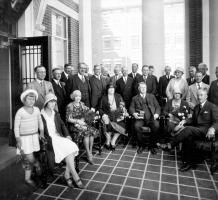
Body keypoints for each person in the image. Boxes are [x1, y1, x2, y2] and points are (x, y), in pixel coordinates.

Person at [166, 88, 218, 172]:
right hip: (197, 130)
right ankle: (189, 163)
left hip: (207, 132)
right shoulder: (197, 107)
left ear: (206, 96)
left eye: (201, 95)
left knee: (188, 129)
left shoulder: (212, 106)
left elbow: (217, 121)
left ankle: (171, 144)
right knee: (188, 136)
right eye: (198, 95)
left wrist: (212, 128)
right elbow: (193, 119)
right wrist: (185, 121)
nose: (199, 97)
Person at [41, 93, 85, 189]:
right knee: (69, 150)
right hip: (50, 139)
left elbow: (62, 125)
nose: (53, 104)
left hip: (58, 136)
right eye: (51, 102)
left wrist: (67, 135)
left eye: (54, 102)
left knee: (72, 148)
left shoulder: (55, 113)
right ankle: (75, 176)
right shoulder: (41, 115)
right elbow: (40, 131)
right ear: (46, 102)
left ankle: (67, 175)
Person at [14, 89, 44, 186]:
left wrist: (42, 132)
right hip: (24, 139)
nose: (31, 101)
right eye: (29, 99)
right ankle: (37, 165)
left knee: (27, 159)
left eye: (33, 99)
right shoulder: (20, 111)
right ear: (24, 100)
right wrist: (18, 139)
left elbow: (40, 122)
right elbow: (16, 127)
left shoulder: (36, 110)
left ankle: (28, 178)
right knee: (29, 157)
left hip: (34, 137)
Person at [66, 90, 99, 165]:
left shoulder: (82, 104)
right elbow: (68, 119)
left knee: (92, 132)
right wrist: (78, 121)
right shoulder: (70, 106)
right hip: (74, 125)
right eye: (76, 96)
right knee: (87, 134)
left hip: (83, 123)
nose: (78, 98)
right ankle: (88, 154)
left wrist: (92, 112)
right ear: (73, 97)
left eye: (79, 96)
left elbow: (87, 113)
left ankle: (90, 152)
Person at [129, 82, 161, 155]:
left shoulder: (152, 96)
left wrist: (156, 114)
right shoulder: (134, 98)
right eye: (141, 87)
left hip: (151, 117)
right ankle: (141, 145)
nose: (143, 89)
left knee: (156, 126)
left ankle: (152, 146)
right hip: (140, 118)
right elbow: (131, 107)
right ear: (138, 89)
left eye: (144, 87)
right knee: (136, 126)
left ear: (146, 88)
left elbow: (158, 107)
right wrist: (134, 113)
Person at [99, 83, 128, 151]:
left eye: (113, 88)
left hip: (117, 115)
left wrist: (123, 112)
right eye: (110, 88)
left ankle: (113, 141)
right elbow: (100, 109)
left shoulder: (118, 96)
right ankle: (108, 140)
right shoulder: (103, 98)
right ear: (107, 89)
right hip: (107, 115)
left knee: (122, 125)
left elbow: (123, 106)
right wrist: (103, 114)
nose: (112, 89)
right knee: (107, 125)